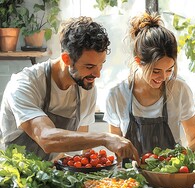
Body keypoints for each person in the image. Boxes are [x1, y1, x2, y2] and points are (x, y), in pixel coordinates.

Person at [0, 16, 139, 162]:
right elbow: (46, 138)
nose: (97, 74)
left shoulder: (86, 87)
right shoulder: (25, 84)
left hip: (57, 175)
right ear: (66, 59)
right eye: (89, 66)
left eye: (101, 65)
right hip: (21, 177)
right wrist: (105, 138)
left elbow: (84, 144)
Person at [103, 12, 195, 159]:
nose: (163, 77)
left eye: (169, 69)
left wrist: (180, 164)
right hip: (131, 178)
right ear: (138, 61)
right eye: (156, 71)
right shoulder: (117, 95)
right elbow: (115, 145)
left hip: (170, 177)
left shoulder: (180, 90)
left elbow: (193, 137)